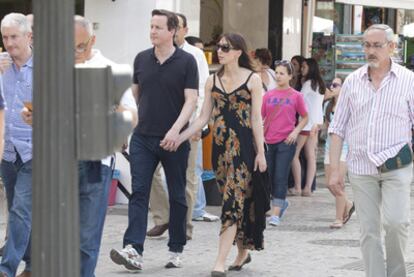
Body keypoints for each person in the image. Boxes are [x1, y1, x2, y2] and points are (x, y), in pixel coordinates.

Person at [163, 33, 267, 277]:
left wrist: (261, 152)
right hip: (220, 152)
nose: (219, 51)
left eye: (225, 47)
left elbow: (256, 120)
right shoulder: (212, 80)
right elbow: (202, 118)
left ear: (238, 52)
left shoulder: (253, 80)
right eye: (219, 46)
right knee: (236, 202)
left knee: (231, 203)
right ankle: (242, 252)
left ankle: (219, 262)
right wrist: (179, 135)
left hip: (243, 150)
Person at [109, 9, 198, 271]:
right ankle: (133, 249)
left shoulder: (186, 61)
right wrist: (123, 131)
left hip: (174, 140)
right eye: (151, 27)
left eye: (158, 27)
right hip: (143, 138)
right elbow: (133, 99)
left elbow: (191, 100)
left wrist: (176, 131)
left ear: (172, 31)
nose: (152, 32)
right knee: (139, 192)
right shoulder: (141, 59)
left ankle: (176, 248)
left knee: (177, 194)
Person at [329, 24, 414, 277]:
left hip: (396, 166)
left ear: (392, 47)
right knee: (368, 230)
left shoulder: (409, 81)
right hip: (361, 167)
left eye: (377, 45)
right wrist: (334, 170)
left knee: (396, 223)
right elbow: (337, 127)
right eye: (366, 45)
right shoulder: (353, 81)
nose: (370, 51)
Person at [73, 15, 137, 277]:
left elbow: (132, 117)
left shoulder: (111, 70)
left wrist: (114, 108)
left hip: (95, 163)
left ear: (92, 40)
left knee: (87, 237)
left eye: (80, 46)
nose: (74, 53)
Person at [146, 13, 217, 240]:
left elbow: (202, 92)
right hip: (155, 127)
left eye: (177, 26)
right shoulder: (151, 56)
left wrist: (196, 126)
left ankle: (183, 227)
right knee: (148, 173)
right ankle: (163, 217)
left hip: (187, 128)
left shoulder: (194, 55)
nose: (173, 30)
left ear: (183, 30)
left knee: (187, 178)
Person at [0, 13, 33, 277]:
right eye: (5, 37)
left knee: (21, 209)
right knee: (16, 211)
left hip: (35, 150)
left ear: (28, 36)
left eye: (14, 37)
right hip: (8, 151)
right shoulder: (1, 67)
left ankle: (6, 269)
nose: (9, 43)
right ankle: (32, 264)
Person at [262, 60, 308, 227]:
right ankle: (280, 204)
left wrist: (295, 132)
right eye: (277, 73)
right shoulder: (268, 95)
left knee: (280, 177)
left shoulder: (296, 96)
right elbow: (260, 117)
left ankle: (275, 214)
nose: (278, 76)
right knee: (268, 177)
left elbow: (305, 116)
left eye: (282, 73)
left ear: (290, 76)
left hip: (286, 142)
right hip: (268, 141)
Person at [323, 77, 354, 229]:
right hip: (330, 148)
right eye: (330, 85)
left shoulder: (349, 105)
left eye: (335, 85)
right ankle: (347, 204)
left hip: (345, 148)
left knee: (337, 183)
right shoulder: (327, 105)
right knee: (329, 184)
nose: (332, 87)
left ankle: (339, 218)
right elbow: (326, 125)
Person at [291, 58, 325, 196]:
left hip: (306, 125)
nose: (302, 69)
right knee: (311, 156)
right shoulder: (320, 84)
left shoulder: (308, 84)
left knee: (294, 155)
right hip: (316, 124)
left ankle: (298, 187)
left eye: (304, 66)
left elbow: (298, 99)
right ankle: (308, 188)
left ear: (310, 68)